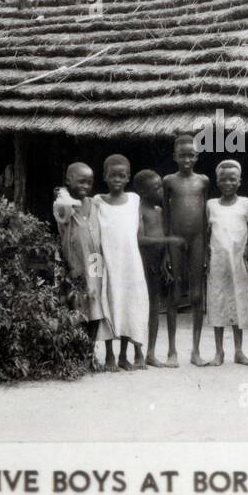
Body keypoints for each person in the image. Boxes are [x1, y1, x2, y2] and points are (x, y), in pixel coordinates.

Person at [53, 162, 115, 371]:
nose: (86, 186)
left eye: (89, 182)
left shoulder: (94, 204)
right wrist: (61, 190)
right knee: (78, 305)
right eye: (81, 181)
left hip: (95, 260)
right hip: (76, 262)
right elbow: (65, 203)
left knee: (95, 304)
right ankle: (77, 353)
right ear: (68, 180)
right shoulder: (63, 204)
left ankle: (89, 353)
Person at [95, 154, 149, 370]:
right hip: (108, 264)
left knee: (129, 306)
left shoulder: (134, 200)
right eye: (112, 175)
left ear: (128, 178)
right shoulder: (97, 201)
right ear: (105, 177)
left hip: (130, 265)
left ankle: (124, 355)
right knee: (110, 304)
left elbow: (140, 233)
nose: (117, 179)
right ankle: (109, 356)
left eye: (122, 175)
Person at [163, 135, 212, 365]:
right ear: (174, 156)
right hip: (174, 239)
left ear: (197, 157)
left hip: (198, 239)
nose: (186, 159)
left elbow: (205, 215)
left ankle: (196, 350)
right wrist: (165, 247)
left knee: (196, 295)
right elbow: (165, 215)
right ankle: (172, 350)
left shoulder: (203, 181)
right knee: (173, 294)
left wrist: (207, 247)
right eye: (182, 155)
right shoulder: (169, 181)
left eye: (191, 155)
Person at [205, 160, 248, 366]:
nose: (228, 183)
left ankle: (239, 351)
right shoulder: (211, 205)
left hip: (237, 262)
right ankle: (219, 352)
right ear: (217, 181)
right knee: (217, 305)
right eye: (223, 179)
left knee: (238, 304)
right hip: (217, 263)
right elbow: (205, 232)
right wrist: (206, 259)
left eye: (232, 179)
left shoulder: (247, 204)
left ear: (239, 181)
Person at [135, 169, 182, 367]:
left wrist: (165, 258)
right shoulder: (138, 211)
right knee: (151, 308)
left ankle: (163, 351)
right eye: (157, 189)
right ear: (144, 193)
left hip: (161, 263)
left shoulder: (160, 210)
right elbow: (140, 239)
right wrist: (169, 240)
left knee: (167, 305)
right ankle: (147, 353)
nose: (161, 192)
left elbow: (164, 234)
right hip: (146, 263)